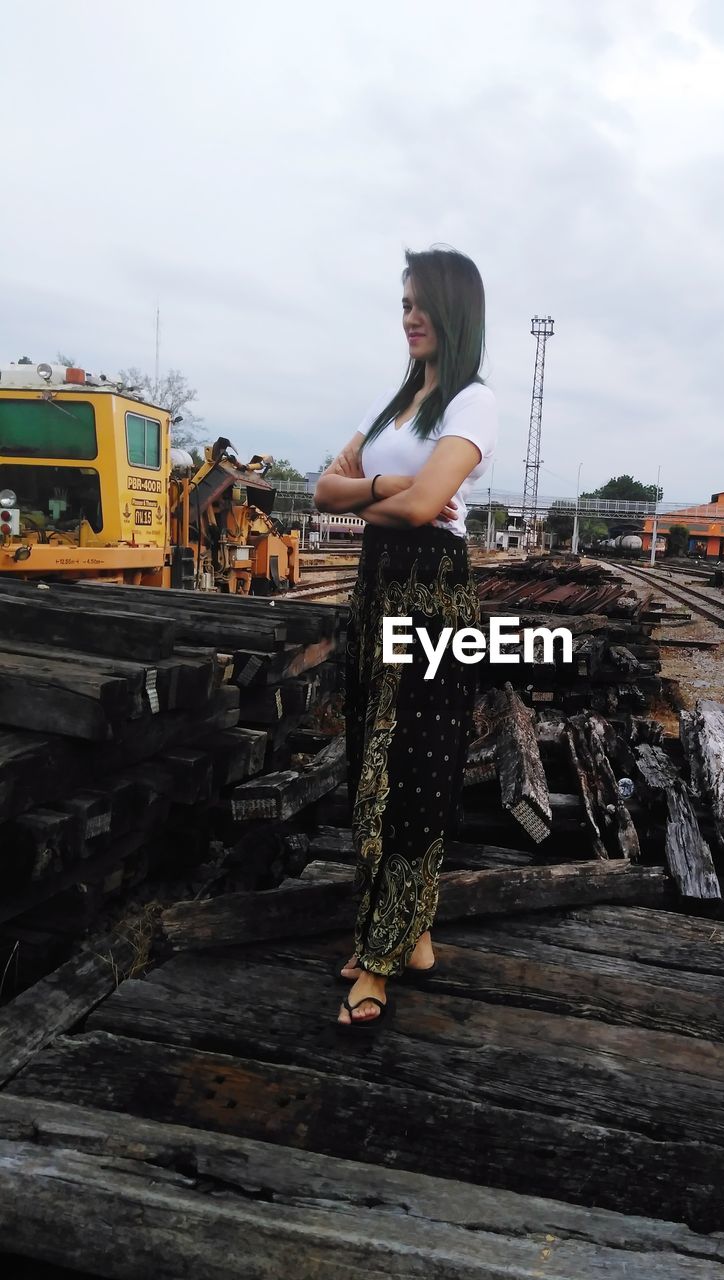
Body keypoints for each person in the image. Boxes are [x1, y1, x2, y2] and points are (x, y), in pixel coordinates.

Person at [313, 247, 497, 1030]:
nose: (410, 317)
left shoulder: (473, 402)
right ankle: (409, 934)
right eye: (404, 304)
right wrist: (385, 487)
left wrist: (375, 496)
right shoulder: (393, 406)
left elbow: (429, 510)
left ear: (455, 312)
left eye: (423, 304)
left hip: (433, 602)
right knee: (369, 760)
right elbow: (323, 489)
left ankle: (379, 960)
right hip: (378, 586)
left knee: (414, 771)